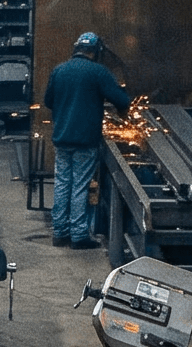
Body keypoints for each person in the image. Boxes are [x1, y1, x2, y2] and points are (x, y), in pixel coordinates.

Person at [41, 31, 132, 250]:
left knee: (63, 183)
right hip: (85, 140)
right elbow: (121, 100)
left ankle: (60, 233)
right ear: (95, 52)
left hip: (62, 138)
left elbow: (48, 101)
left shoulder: (59, 70)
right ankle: (79, 235)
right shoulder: (98, 72)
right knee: (80, 186)